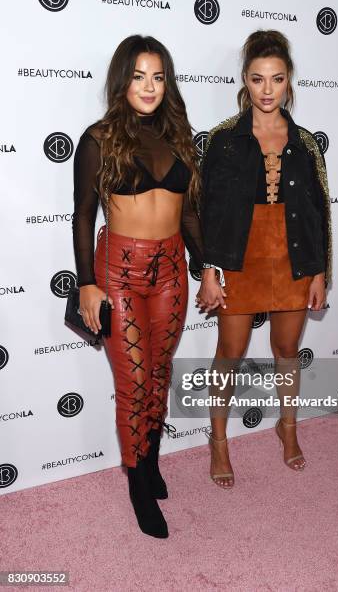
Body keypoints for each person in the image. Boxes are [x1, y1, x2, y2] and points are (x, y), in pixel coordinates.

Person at [72, 35, 202, 537]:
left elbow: (188, 213)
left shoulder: (179, 134)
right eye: (138, 75)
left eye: (158, 76)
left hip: (170, 268)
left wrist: (205, 265)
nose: (148, 86)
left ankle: (149, 460)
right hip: (118, 273)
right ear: (122, 79)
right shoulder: (99, 138)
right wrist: (87, 283)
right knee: (133, 382)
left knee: (160, 373)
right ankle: (137, 483)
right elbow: (83, 215)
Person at [196, 30, 332, 488]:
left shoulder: (306, 142)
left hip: (293, 259)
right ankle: (218, 440)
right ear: (245, 81)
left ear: (289, 80)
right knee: (230, 353)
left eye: (276, 79)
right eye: (258, 79)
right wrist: (209, 271)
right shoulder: (222, 140)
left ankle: (287, 429)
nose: (267, 89)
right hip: (239, 259)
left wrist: (320, 272)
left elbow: (319, 210)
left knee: (287, 351)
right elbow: (206, 211)